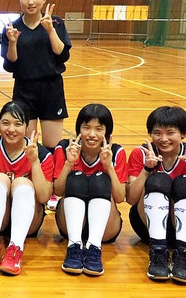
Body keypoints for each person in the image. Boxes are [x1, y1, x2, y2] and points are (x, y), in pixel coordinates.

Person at [1, 0, 70, 210]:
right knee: (27, 141)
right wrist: (12, 42)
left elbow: (62, 54)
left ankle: (51, 189)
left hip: (51, 88)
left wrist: (50, 30)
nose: (30, 1)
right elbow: (10, 64)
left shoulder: (56, 23)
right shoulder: (13, 28)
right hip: (24, 90)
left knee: (51, 144)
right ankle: (29, 183)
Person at [126, 106, 186, 284]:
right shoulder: (142, 153)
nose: (163, 138)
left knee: (185, 183)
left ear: (183, 133)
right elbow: (131, 199)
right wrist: (146, 170)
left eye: (170, 132)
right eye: (157, 133)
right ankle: (158, 252)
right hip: (147, 227)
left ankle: (183, 254)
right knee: (158, 180)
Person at [0, 101, 53, 276]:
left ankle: (15, 248)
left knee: (22, 183)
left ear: (27, 126)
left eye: (18, 124)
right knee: (0, 178)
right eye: (6, 123)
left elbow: (44, 197)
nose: (11, 129)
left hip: (29, 223)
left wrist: (34, 162)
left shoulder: (41, 154)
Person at [53, 104, 127, 276]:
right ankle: (74, 245)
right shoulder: (65, 148)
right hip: (70, 224)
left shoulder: (116, 152)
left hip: (105, 228)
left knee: (100, 180)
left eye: (99, 129)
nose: (92, 134)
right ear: (78, 129)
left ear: (107, 133)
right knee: (77, 178)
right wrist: (69, 163)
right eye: (86, 127)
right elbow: (58, 191)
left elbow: (120, 197)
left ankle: (94, 247)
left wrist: (108, 167)